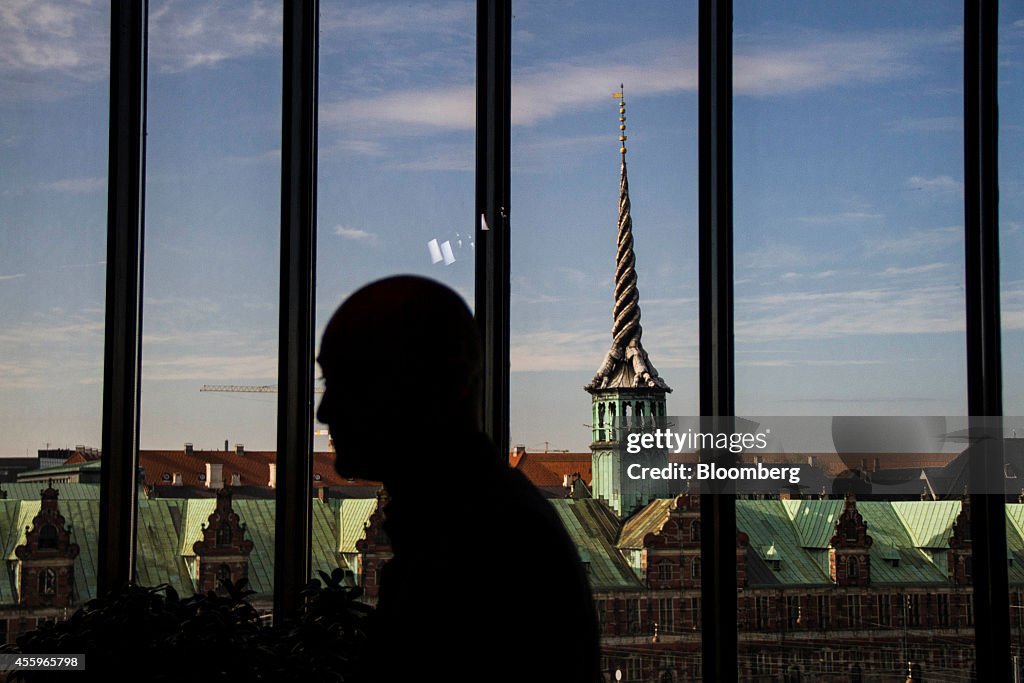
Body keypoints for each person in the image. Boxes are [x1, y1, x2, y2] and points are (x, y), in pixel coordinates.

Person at [316, 275, 601, 683]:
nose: (325, 411)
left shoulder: (482, 543)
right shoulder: (482, 519)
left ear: (432, 385)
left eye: (349, 381)